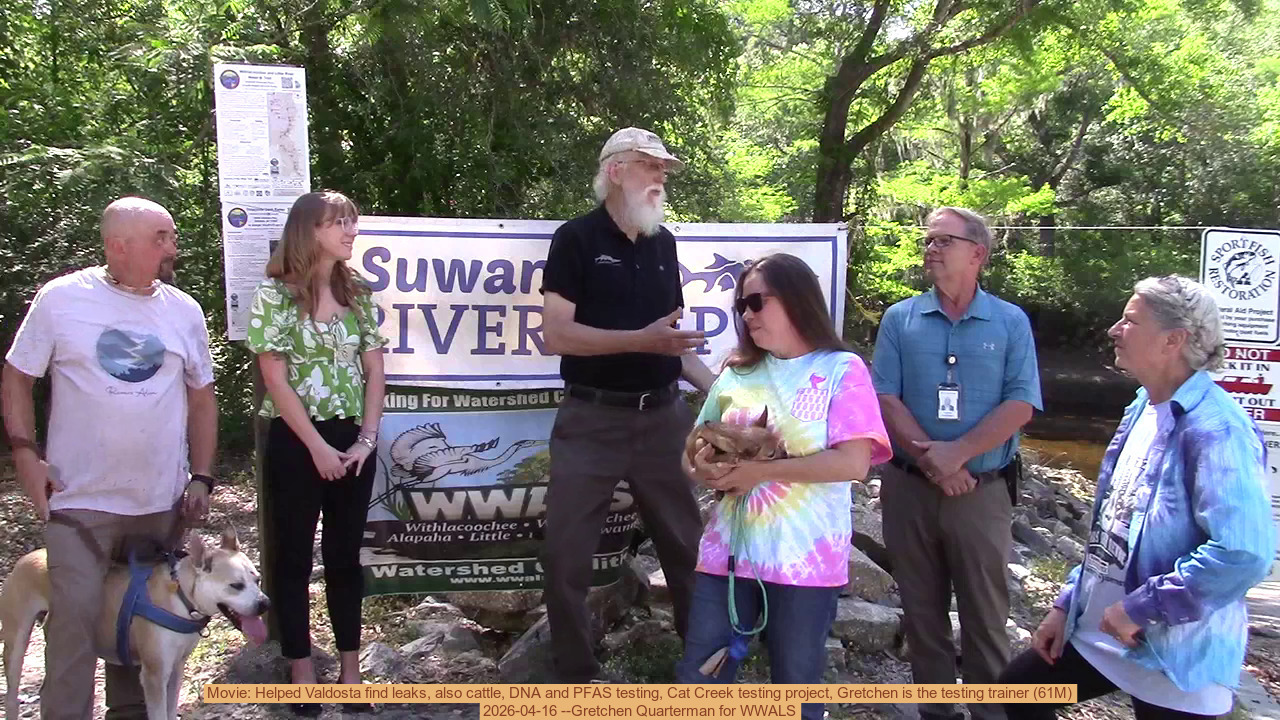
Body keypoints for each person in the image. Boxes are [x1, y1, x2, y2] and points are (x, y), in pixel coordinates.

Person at [999, 275, 1276, 720]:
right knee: (1018, 694)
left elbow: (1244, 552)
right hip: (1099, 631)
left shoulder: (1218, 429)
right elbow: (1114, 523)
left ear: (1174, 339)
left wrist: (1143, 607)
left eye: (1129, 321)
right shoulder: (1142, 405)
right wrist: (1066, 606)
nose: (1113, 330)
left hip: (1173, 652)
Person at [2, 196, 217, 720]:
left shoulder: (183, 310)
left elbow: (202, 396)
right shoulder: (62, 299)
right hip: (80, 503)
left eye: (172, 236)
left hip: (160, 504)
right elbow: (17, 375)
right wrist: (26, 453)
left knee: (137, 628)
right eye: (162, 237)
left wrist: (204, 476)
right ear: (118, 246)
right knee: (73, 636)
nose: (174, 248)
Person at [675, 253, 891, 720]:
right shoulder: (735, 372)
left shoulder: (842, 369)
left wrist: (761, 472)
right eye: (741, 306)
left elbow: (854, 463)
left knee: (794, 693)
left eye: (757, 301)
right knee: (700, 683)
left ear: (796, 299)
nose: (747, 314)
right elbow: (692, 451)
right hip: (728, 553)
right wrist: (705, 471)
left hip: (805, 560)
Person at [539, 126, 715, 682]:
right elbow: (557, 336)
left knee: (690, 549)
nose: (662, 178)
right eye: (650, 166)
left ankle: (702, 666)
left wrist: (718, 389)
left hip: (663, 418)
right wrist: (637, 340)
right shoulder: (576, 240)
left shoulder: (664, 243)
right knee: (565, 556)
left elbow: (670, 340)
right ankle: (577, 675)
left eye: (664, 169)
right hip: (592, 418)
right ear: (616, 171)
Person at [870, 206, 1042, 720]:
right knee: (922, 615)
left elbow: (1021, 403)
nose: (932, 249)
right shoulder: (901, 318)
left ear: (978, 254)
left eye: (945, 240)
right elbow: (884, 397)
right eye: (929, 241)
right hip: (909, 491)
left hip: (981, 492)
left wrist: (957, 455)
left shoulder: (1011, 322)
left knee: (986, 617)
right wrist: (931, 461)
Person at [245, 191, 387, 713]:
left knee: (345, 557)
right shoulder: (275, 298)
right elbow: (275, 381)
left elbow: (375, 370)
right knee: (294, 558)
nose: (351, 231)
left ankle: (351, 674)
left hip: (352, 441)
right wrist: (318, 448)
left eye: (352, 221)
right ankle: (302, 671)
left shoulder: (360, 295)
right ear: (309, 231)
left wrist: (365, 440)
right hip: (294, 441)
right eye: (339, 222)